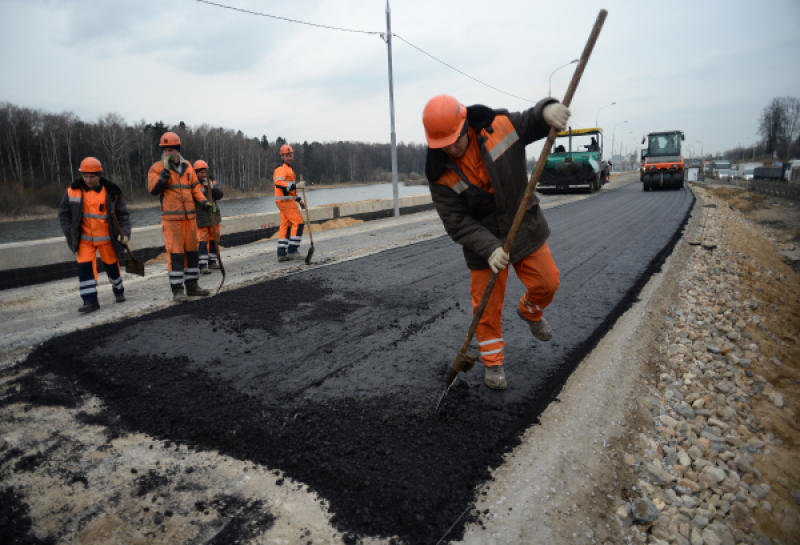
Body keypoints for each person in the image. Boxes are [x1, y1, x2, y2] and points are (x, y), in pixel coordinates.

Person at [422, 94, 569, 390]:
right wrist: (489, 249)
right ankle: (493, 364)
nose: (451, 148)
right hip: (482, 240)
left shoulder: (498, 126)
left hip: (522, 222)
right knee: (486, 307)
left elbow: (531, 121)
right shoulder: (440, 175)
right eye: (443, 145)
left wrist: (547, 110)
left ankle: (530, 311)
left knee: (548, 282)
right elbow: (456, 222)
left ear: (466, 125)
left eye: (455, 139)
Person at [58, 157, 131, 313]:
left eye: (92, 176)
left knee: (112, 267)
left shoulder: (111, 192)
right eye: (85, 176)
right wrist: (69, 232)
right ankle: (90, 301)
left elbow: (123, 215)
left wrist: (124, 233)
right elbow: (63, 214)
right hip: (84, 240)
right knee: (85, 268)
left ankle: (118, 290)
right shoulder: (72, 191)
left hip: (107, 240)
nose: (88, 179)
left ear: (99, 175)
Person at [147, 131, 213, 301]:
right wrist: (163, 177)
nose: (168, 153)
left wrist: (204, 202)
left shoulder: (188, 167)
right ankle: (177, 290)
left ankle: (192, 286)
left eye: (172, 149)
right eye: (165, 150)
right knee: (175, 254)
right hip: (172, 221)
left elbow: (195, 189)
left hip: (190, 219)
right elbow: (153, 189)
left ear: (178, 150)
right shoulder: (157, 168)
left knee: (192, 253)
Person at [273, 144, 306, 261]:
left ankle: (281, 253)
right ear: (282, 156)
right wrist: (295, 185)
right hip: (285, 201)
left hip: (286, 200)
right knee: (299, 222)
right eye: (286, 155)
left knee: (286, 225)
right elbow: (279, 183)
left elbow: (291, 190)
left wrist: (299, 199)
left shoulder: (290, 170)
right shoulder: (281, 169)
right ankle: (292, 250)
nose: (289, 157)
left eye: (290, 154)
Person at [192, 160, 224, 274]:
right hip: (201, 216)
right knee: (202, 240)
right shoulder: (194, 184)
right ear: (196, 172)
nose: (204, 174)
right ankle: (202, 264)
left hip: (214, 215)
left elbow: (220, 195)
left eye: (205, 172)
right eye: (201, 172)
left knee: (215, 237)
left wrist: (212, 187)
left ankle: (212, 261)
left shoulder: (211, 181)